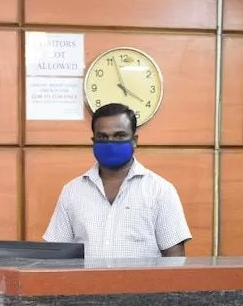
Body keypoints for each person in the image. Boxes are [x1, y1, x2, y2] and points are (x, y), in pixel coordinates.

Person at [43, 103, 192, 258]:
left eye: (119, 136)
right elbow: (55, 256)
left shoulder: (160, 191)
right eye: (103, 137)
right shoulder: (72, 192)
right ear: (93, 141)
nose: (111, 143)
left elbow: (174, 258)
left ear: (134, 140)